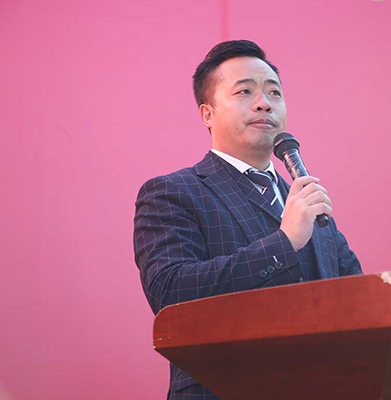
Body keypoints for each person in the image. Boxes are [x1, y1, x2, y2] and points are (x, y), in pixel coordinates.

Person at [133, 40, 362, 400]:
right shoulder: (173, 192)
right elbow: (171, 292)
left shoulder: (306, 202)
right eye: (245, 91)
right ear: (207, 114)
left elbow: (359, 303)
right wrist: (284, 242)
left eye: (274, 92)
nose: (264, 103)